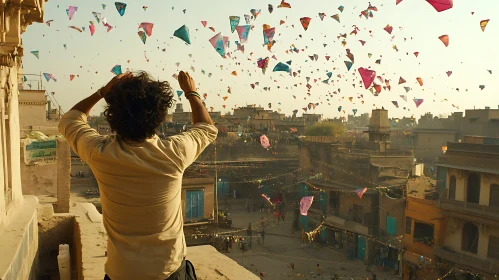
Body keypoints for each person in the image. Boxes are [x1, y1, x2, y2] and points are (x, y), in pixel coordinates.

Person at [59, 71, 217, 280]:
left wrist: (102, 92)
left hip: (121, 273)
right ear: (159, 117)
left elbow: (70, 119)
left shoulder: (100, 153)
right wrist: (191, 92)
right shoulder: (173, 153)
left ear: (112, 117)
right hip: (168, 273)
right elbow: (206, 128)